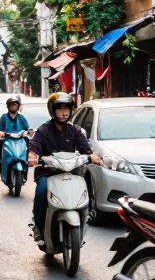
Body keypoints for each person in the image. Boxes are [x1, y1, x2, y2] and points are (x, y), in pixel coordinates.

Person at [27, 93, 101, 245]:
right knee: (41, 191)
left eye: (66, 108)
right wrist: (32, 156)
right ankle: (39, 227)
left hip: (70, 171)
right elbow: (34, 145)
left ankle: (85, 217)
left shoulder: (74, 130)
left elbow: (84, 146)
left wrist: (92, 156)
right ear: (52, 111)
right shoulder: (43, 130)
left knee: (85, 187)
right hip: (47, 172)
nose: (64, 112)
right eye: (60, 109)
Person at [0, 95, 30, 179]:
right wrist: (0, 132)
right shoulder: (4, 117)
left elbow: (27, 128)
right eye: (11, 104)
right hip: (7, 139)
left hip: (20, 139)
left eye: (15, 104)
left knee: (29, 145)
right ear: (8, 106)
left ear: (18, 106)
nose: (14, 106)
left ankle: (25, 169)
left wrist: (27, 132)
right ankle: (0, 163)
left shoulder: (21, 117)